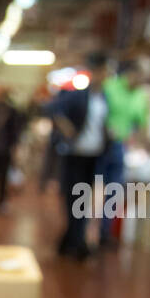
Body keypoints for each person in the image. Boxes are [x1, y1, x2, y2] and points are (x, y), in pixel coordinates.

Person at [43, 54, 110, 260]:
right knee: (74, 198)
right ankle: (74, 241)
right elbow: (51, 109)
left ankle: (72, 240)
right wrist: (68, 130)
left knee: (85, 199)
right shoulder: (79, 95)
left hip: (94, 156)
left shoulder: (105, 98)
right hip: (75, 155)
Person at [97, 57, 150, 246]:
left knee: (115, 190)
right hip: (100, 146)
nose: (142, 82)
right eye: (142, 77)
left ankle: (105, 232)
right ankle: (85, 231)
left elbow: (142, 125)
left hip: (120, 147)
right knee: (91, 189)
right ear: (132, 73)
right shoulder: (110, 87)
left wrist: (143, 147)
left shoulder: (141, 96)